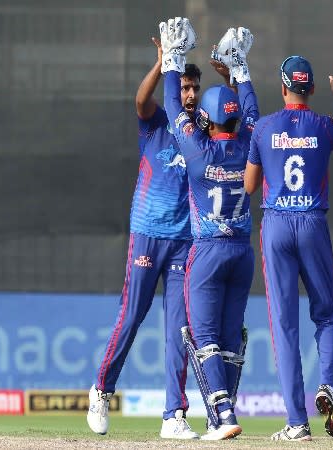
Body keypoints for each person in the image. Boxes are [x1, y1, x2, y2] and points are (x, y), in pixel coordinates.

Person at [244, 57, 333, 441]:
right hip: (312, 222)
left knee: (284, 325)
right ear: (311, 89)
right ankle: (328, 385)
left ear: (282, 88)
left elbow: (248, 186)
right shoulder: (325, 126)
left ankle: (297, 423)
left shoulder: (263, 128)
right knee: (326, 315)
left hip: (277, 223)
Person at [87, 37, 199, 439]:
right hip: (148, 234)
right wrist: (161, 64)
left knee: (180, 329)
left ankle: (174, 415)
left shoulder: (198, 130)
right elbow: (139, 100)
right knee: (132, 316)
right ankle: (101, 391)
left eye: (193, 88)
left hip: (184, 241)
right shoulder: (156, 123)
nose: (188, 94)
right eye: (183, 87)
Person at [161, 18, 258, 441]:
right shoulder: (251, 140)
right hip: (242, 252)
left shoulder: (198, 150)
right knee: (231, 334)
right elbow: (252, 110)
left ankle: (221, 414)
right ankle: (225, 410)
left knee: (201, 337)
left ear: (204, 118)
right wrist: (241, 69)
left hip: (207, 251)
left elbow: (170, 106)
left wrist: (173, 60)